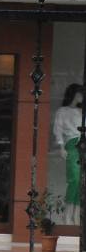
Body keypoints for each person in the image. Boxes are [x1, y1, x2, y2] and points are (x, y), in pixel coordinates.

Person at [53, 83, 84, 223]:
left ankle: (76, 215)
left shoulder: (81, 112)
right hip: (72, 144)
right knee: (74, 179)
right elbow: (58, 129)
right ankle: (67, 214)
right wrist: (61, 147)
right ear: (74, 94)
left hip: (84, 144)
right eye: (79, 94)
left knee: (82, 181)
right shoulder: (63, 111)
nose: (82, 97)